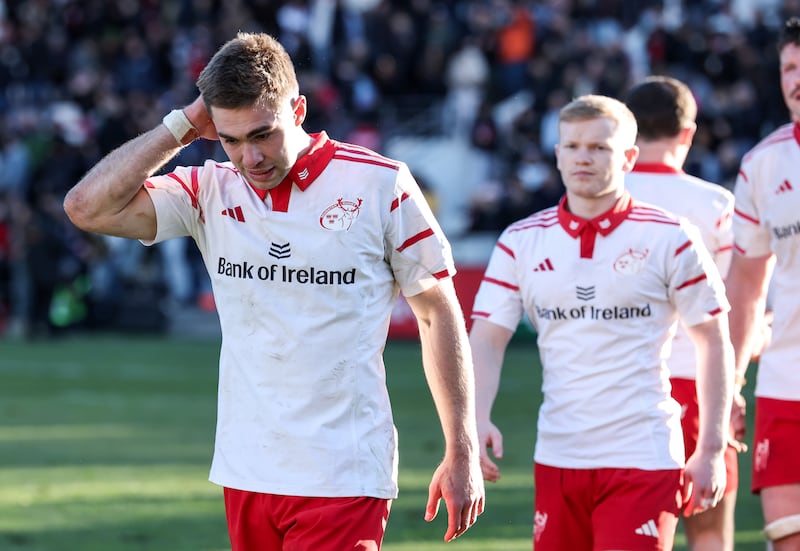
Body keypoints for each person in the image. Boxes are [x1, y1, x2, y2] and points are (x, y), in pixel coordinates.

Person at [63, 32, 484, 550]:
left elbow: (436, 313)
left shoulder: (380, 185)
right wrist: (181, 127)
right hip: (246, 470)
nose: (249, 157)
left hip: (343, 475)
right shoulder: (208, 188)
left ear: (299, 109)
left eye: (262, 134)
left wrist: (460, 448)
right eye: (231, 139)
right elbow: (86, 208)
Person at [469, 94, 734, 550]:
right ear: (556, 154)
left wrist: (710, 448)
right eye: (571, 146)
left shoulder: (670, 236)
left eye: (599, 147)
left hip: (644, 455)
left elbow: (713, 340)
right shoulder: (521, 241)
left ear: (629, 156)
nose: (583, 158)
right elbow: (488, 339)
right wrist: (474, 421)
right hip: (557, 455)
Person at [623, 75, 741, 551]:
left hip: (624, 386)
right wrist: (733, 390)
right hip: (701, 381)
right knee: (710, 534)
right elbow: (732, 309)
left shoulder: (599, 199)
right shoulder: (715, 204)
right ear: (687, 133)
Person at [725, 16, 800, 551]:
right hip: (785, 380)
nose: (796, 78)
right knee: (786, 538)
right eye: (789, 67)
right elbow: (746, 287)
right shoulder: (763, 164)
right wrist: (729, 383)